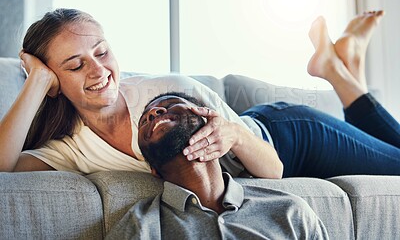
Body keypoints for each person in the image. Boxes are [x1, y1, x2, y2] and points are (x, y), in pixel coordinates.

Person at [0, 8, 398, 179]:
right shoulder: (71, 148)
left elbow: (274, 171)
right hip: (277, 135)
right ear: (55, 80)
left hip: (289, 137)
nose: (99, 70)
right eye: (74, 65)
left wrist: (234, 133)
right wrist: (35, 79)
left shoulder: (165, 93)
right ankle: (347, 69)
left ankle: (336, 70)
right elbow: (4, 167)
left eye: (102, 51)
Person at [105, 92, 329, 239]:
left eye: (171, 105)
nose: (154, 113)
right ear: (152, 168)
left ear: (209, 122)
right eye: (145, 121)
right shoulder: (140, 227)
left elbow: (275, 169)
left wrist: (237, 135)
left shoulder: (290, 211)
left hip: (291, 128)